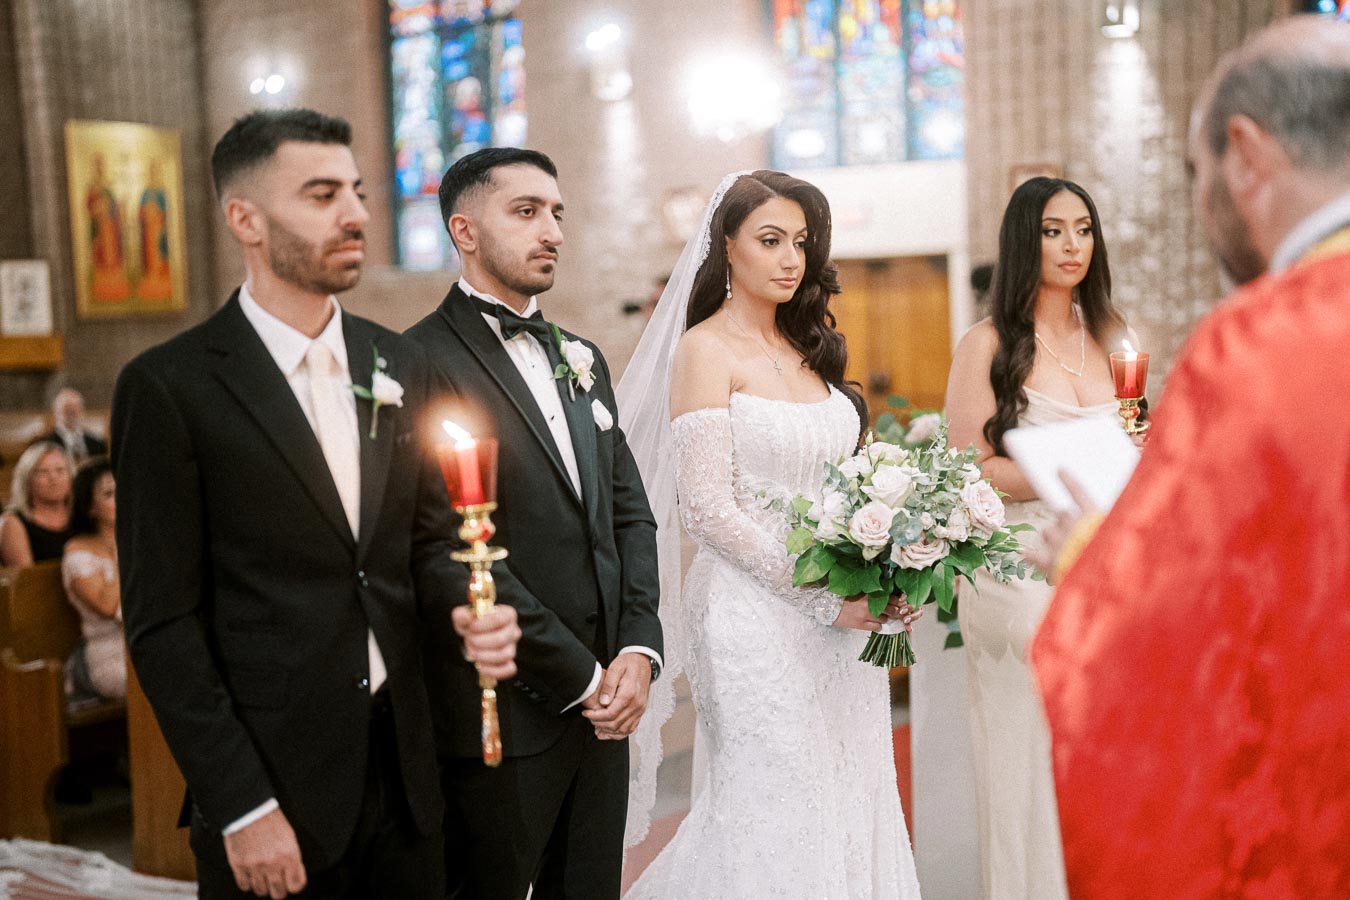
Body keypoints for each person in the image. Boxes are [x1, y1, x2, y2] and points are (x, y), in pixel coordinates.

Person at [111, 108, 520, 900]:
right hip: (274, 782)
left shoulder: (395, 359)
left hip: (406, 773)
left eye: (359, 193)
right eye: (323, 194)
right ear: (246, 220)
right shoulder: (172, 387)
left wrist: (470, 612)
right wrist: (241, 806)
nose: (358, 215)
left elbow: (426, 546)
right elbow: (162, 624)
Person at [1029, 16, 1350, 898]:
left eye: (1196, 172)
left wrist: (1082, 550)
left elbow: (1167, 626)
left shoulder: (1262, 344)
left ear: (1245, 153)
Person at [619, 170, 922, 899]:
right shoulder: (704, 350)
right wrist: (824, 598)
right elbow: (708, 510)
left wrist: (891, 570)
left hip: (846, 624)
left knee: (853, 795)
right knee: (773, 803)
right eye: (770, 240)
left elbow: (852, 485)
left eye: (802, 243)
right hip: (754, 617)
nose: (791, 259)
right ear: (726, 246)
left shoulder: (814, 348)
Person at [404, 147, 662, 900]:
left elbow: (628, 514)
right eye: (525, 212)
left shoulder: (580, 357)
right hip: (506, 714)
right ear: (466, 230)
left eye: (556, 213)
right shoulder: (418, 361)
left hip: (608, 705)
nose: (551, 230)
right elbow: (451, 551)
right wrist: (580, 677)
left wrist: (638, 650)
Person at [943, 177, 1135, 899]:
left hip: (1104, 560)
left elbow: (1139, 442)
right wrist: (1068, 465)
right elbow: (970, 469)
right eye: (1054, 230)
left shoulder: (1114, 337)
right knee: (1026, 761)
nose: (1072, 245)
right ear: (1026, 240)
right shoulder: (987, 343)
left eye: (1084, 229)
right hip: (1018, 563)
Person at [61, 456, 125, 701]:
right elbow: (107, 606)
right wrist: (124, 548)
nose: (121, 499)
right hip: (108, 654)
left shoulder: (145, 542)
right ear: (90, 507)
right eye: (109, 493)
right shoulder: (77, 552)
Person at [0, 440, 74, 567]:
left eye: (60, 470)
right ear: (27, 480)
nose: (53, 478)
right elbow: (27, 580)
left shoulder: (83, 514)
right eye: (43, 472)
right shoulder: (12, 522)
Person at [39, 388, 109, 463]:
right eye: (66, 409)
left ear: (82, 411)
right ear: (56, 412)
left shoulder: (98, 444)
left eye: (75, 409)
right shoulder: (45, 444)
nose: (71, 414)